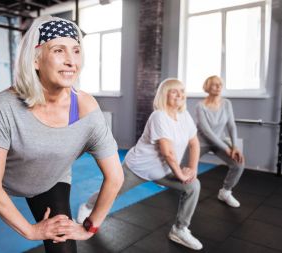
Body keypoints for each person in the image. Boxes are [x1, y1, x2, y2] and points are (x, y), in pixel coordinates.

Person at [0, 15, 124, 253]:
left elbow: (115, 178)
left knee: (63, 249)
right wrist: (30, 230)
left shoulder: (86, 110)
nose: (70, 61)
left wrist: (90, 226)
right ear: (36, 59)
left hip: (50, 181)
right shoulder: (5, 105)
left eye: (76, 51)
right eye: (58, 50)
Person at [77, 78, 203, 250]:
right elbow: (168, 152)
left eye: (182, 90)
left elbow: (194, 143)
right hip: (138, 169)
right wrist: (181, 174)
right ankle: (87, 206)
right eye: (174, 91)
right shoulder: (159, 116)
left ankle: (180, 229)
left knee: (193, 186)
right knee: (111, 193)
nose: (180, 94)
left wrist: (193, 169)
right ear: (164, 95)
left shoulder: (184, 116)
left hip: (164, 170)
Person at [196, 75, 244, 208]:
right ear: (207, 87)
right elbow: (207, 132)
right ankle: (171, 179)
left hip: (220, 141)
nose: (218, 87)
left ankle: (225, 192)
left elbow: (231, 125)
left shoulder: (227, 103)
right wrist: (227, 148)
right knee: (185, 167)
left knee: (238, 164)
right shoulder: (200, 106)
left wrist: (234, 146)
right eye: (214, 84)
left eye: (220, 84)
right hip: (201, 142)